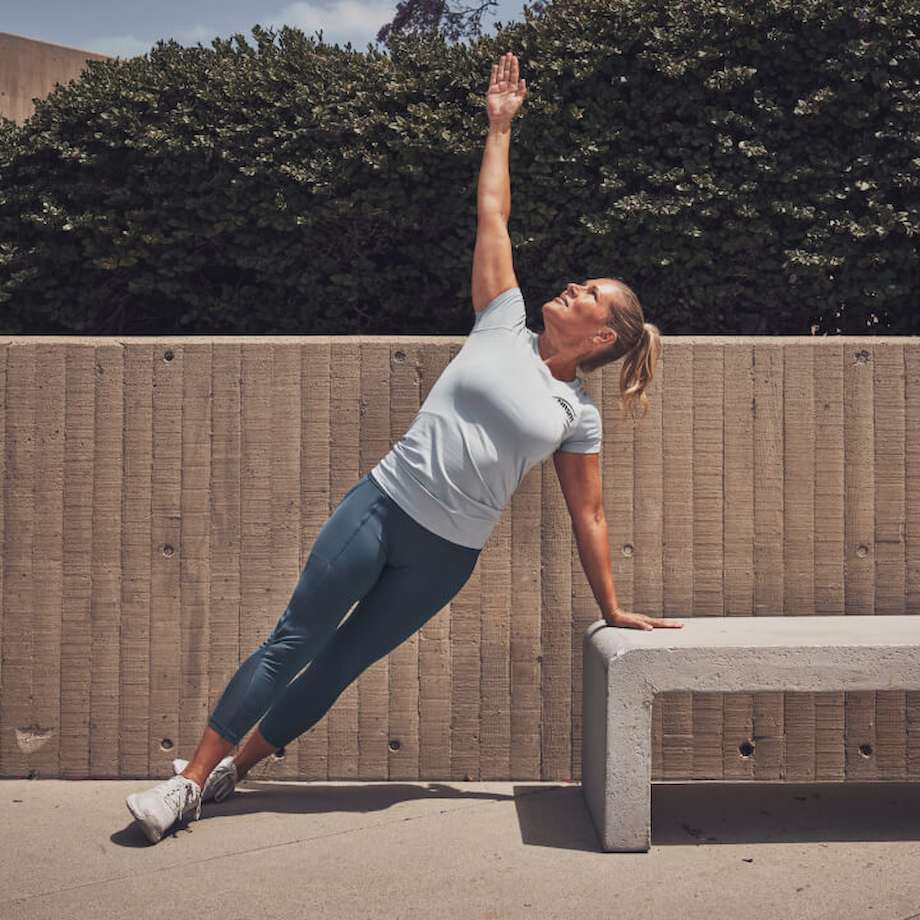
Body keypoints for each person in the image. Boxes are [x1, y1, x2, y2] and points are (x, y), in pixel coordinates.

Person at [125, 51, 683, 845]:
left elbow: (587, 516)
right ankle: (184, 783)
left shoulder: (574, 412)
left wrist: (613, 608)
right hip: (382, 508)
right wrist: (499, 127)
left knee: (341, 664)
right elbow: (493, 216)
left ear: (603, 335)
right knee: (295, 639)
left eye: (592, 294)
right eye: (581, 281)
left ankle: (229, 774)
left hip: (445, 558)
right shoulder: (502, 319)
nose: (574, 287)